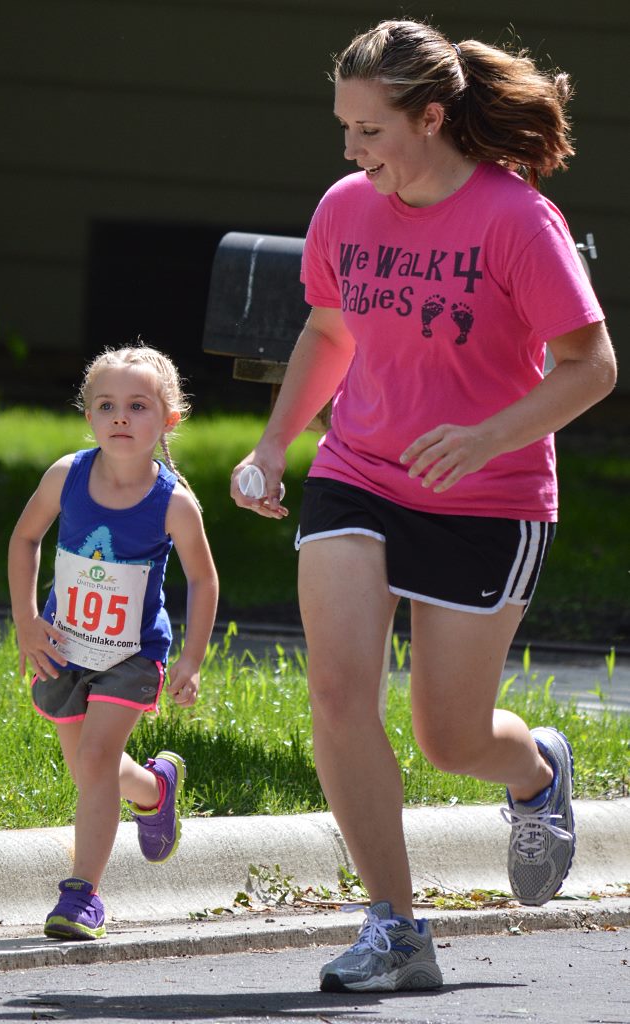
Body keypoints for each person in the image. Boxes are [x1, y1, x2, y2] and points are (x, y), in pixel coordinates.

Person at [231, 18, 617, 993]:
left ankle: (533, 772)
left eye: (368, 131)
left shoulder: (512, 220)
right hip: (358, 470)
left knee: (448, 736)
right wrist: (275, 445)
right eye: (344, 129)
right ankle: (396, 928)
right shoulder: (344, 209)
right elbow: (328, 331)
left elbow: (590, 366)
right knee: (335, 689)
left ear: (429, 118)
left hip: (487, 495)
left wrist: (488, 435)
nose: (350, 151)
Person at [9, 343, 218, 941]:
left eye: (137, 406)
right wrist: (26, 619)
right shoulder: (66, 476)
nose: (120, 417)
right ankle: (156, 789)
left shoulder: (173, 502)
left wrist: (193, 659)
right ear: (89, 415)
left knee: (96, 762)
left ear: (169, 418)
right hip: (62, 646)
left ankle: (82, 895)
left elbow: (204, 578)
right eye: (106, 405)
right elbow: (25, 540)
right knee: (89, 768)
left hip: (132, 655)